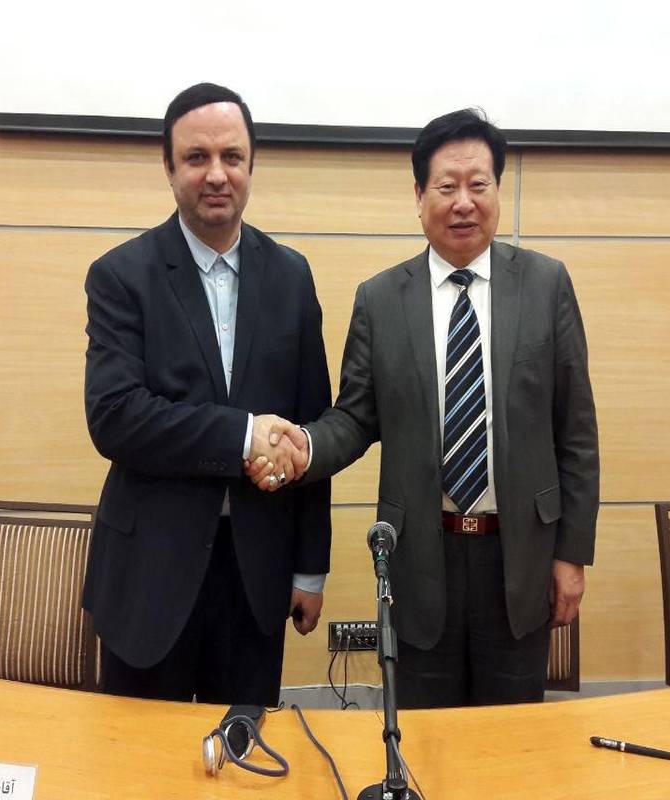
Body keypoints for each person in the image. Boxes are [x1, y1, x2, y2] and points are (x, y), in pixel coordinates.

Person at [253, 108, 599, 708]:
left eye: (478, 184)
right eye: (446, 186)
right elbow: (355, 417)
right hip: (418, 559)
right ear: (419, 196)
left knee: (511, 741)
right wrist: (305, 446)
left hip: (520, 556)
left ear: (497, 191)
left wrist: (572, 554)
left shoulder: (546, 285)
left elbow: (576, 433)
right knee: (425, 737)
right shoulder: (380, 299)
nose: (463, 202)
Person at [82, 82, 331, 706]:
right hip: (149, 577)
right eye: (197, 157)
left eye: (232, 157)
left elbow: (310, 424)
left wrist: (310, 568)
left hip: (255, 576)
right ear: (168, 167)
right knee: (138, 755)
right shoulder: (121, 275)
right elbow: (115, 417)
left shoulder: (291, 275)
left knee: (244, 751)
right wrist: (244, 434)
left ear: (251, 165)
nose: (217, 174)